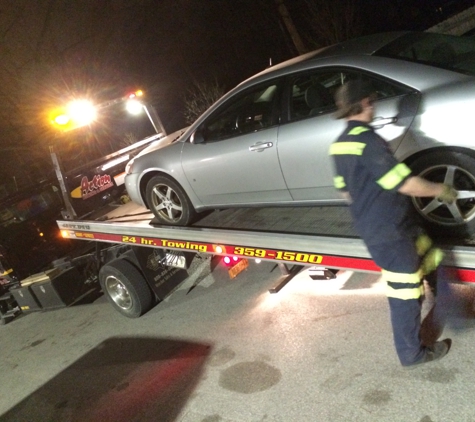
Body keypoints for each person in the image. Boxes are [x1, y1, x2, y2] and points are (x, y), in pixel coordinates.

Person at [329, 79, 458, 368]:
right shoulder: (368, 141)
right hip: (390, 232)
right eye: (372, 100)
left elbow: (344, 190)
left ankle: (454, 310)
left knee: (432, 256)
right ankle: (411, 353)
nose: (373, 105)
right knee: (405, 295)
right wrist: (441, 190)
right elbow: (405, 183)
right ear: (364, 103)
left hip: (387, 227)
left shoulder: (339, 146)